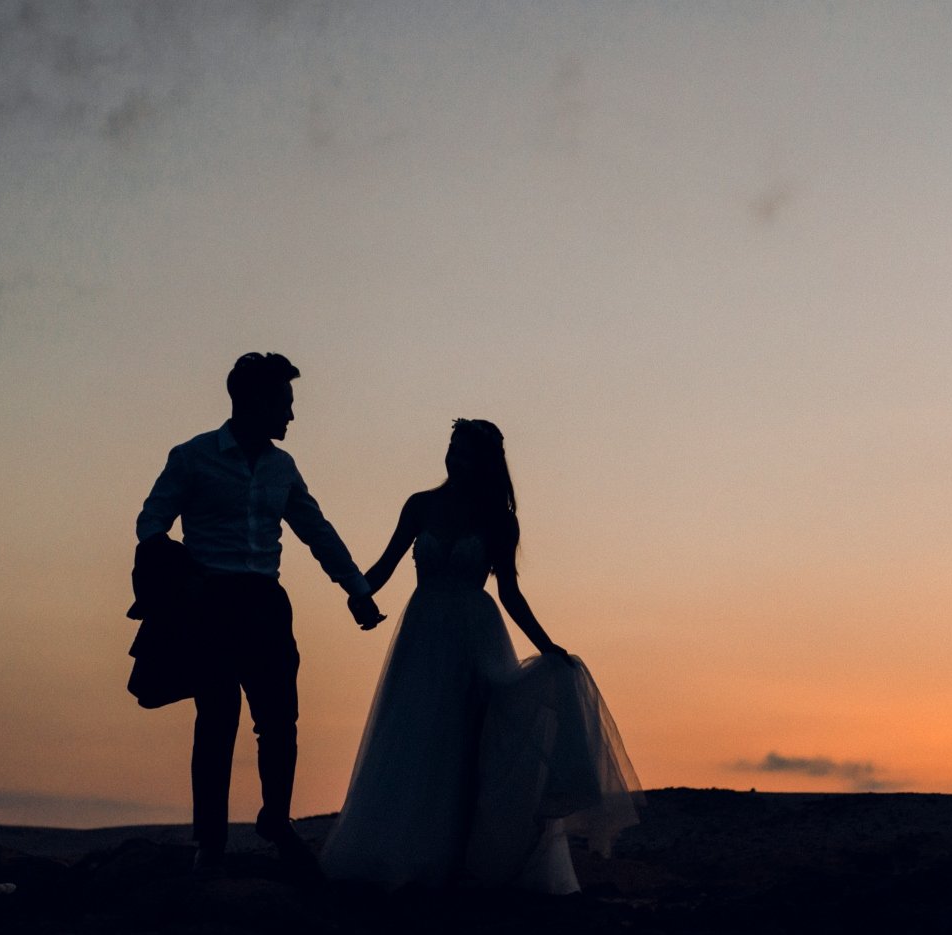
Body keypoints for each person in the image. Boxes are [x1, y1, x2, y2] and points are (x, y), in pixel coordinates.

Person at [320, 419, 641, 892]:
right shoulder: (420, 505)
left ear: (486, 462)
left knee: (472, 740)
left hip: (476, 637)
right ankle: (407, 851)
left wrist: (547, 646)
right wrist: (356, 592)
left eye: (466, 451)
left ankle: (470, 862)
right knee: (416, 737)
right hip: (423, 634)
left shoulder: (498, 519)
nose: (455, 458)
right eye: (452, 447)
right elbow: (385, 565)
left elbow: (509, 591)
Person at [136, 352, 383, 880]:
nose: (291, 416)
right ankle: (210, 841)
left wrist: (357, 590)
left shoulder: (282, 467)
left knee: (279, 721)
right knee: (217, 718)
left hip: (266, 604)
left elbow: (316, 530)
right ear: (255, 402)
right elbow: (151, 519)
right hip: (209, 601)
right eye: (285, 404)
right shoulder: (192, 456)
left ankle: (275, 820)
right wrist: (173, 565)